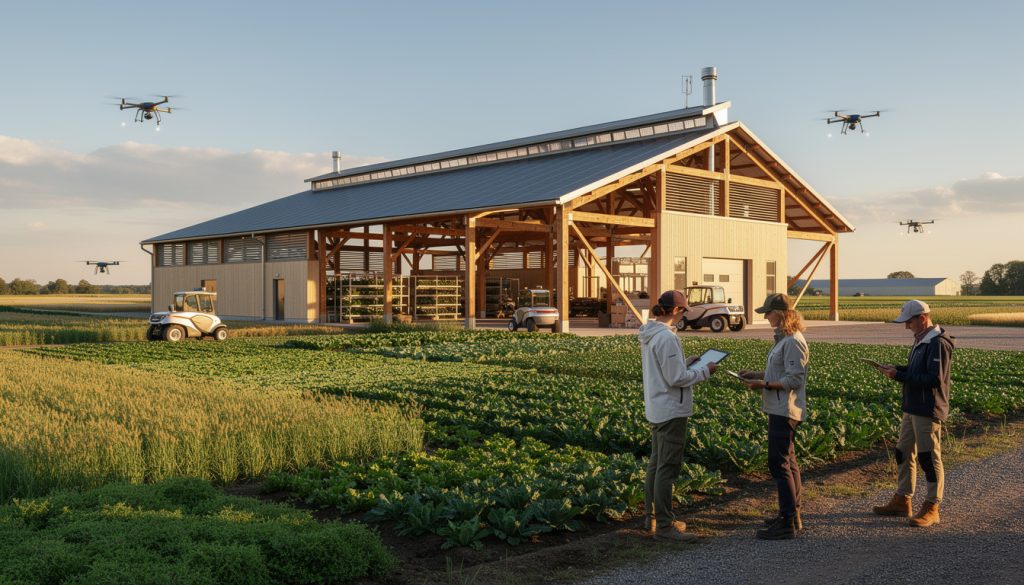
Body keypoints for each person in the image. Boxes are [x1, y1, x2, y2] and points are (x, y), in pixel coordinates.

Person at [638, 290, 717, 542]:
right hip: (671, 408)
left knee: (655, 464)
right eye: (683, 311)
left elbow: (667, 370)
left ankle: (652, 518)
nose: (684, 315)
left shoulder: (650, 334)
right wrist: (705, 371)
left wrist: (687, 362)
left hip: (657, 406)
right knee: (667, 468)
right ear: (675, 311)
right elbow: (676, 379)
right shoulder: (667, 338)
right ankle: (664, 526)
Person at [870, 300, 954, 527]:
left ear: (922, 318)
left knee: (929, 457)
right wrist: (896, 369)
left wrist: (898, 375)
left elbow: (934, 379)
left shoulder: (938, 343)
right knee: (903, 451)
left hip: (927, 409)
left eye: (909, 321)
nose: (906, 326)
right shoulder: (922, 340)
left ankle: (932, 506)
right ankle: (902, 499)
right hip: (912, 407)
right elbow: (919, 371)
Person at [738, 293, 809, 540]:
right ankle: (792, 515)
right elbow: (780, 370)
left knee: (778, 464)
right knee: (788, 462)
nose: (765, 316)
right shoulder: (784, 339)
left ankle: (787, 521)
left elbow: (794, 378)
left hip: (785, 409)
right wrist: (755, 374)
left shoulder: (792, 341)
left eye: (767, 312)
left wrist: (764, 384)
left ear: (780, 313)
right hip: (779, 407)